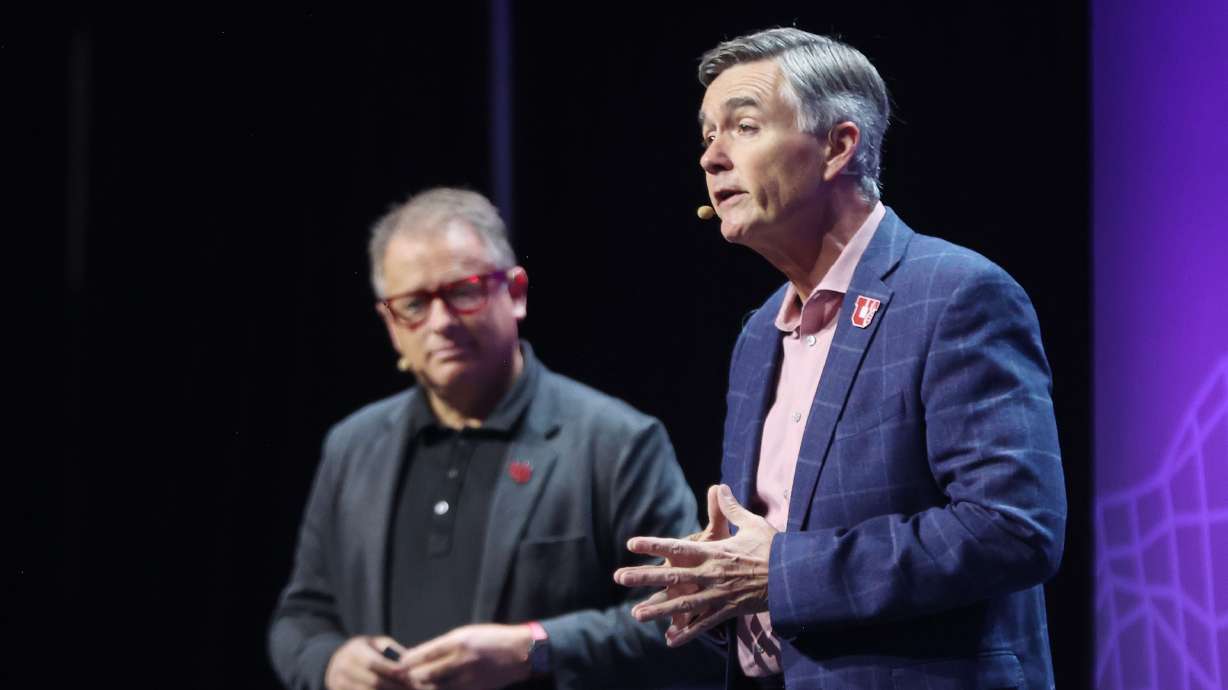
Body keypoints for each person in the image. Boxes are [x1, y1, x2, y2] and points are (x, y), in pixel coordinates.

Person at [614, 28, 1067, 690]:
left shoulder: (955, 294)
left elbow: (1012, 529)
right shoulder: (758, 335)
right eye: (707, 135)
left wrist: (782, 574)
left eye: (742, 127)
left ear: (837, 146)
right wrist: (715, 584)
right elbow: (768, 559)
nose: (711, 158)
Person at [269, 188, 718, 690]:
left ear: (516, 292)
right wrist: (330, 662)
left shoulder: (616, 442)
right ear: (391, 324)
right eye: (414, 304)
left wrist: (535, 648)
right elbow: (301, 615)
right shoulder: (352, 446)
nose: (440, 323)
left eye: (463, 292)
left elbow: (686, 619)